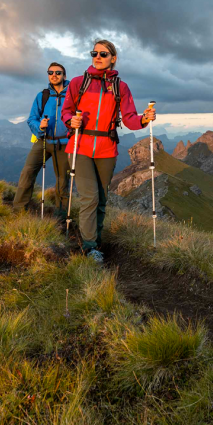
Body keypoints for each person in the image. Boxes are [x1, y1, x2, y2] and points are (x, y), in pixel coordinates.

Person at [62, 39, 156, 261]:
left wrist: (144, 118)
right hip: (79, 146)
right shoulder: (78, 83)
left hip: (107, 148)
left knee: (102, 198)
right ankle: (89, 246)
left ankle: (96, 241)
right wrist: (70, 121)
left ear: (113, 58)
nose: (97, 57)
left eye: (103, 54)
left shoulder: (120, 87)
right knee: (90, 197)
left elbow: (131, 119)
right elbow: (66, 111)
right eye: (94, 53)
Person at [13, 62, 71, 212]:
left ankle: (62, 216)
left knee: (63, 181)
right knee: (28, 172)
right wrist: (40, 126)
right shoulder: (43, 96)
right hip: (43, 140)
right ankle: (19, 209)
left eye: (58, 73)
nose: (54, 75)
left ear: (64, 76)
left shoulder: (73, 95)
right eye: (50, 72)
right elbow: (32, 119)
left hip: (65, 143)